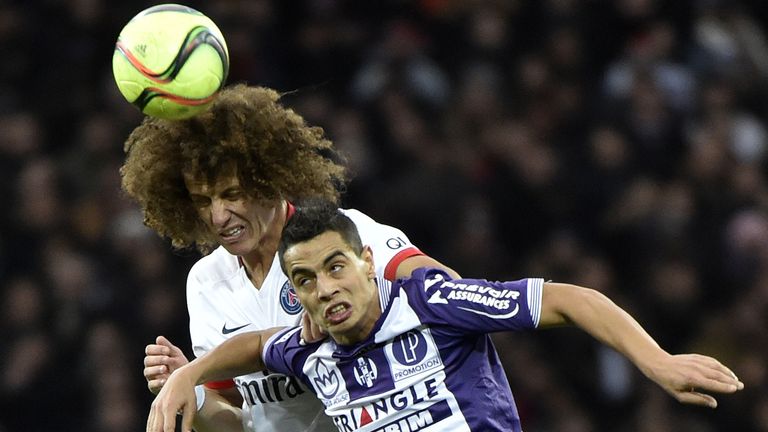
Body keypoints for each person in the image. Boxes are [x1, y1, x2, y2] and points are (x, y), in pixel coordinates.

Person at [146, 201, 745, 432]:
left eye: (336, 268)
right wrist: (187, 378)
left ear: (366, 261)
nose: (326, 288)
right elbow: (250, 348)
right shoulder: (309, 347)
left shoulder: (430, 303)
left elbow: (567, 299)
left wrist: (657, 360)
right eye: (305, 281)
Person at [120, 84, 459, 432]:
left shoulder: (339, 236)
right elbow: (238, 417)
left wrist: (364, 310)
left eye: (232, 194)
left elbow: (445, 287)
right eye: (204, 201)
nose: (219, 216)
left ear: (270, 178)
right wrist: (191, 386)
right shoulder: (205, 281)